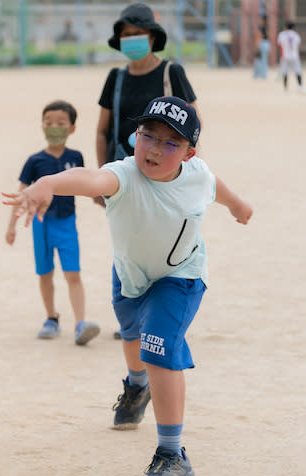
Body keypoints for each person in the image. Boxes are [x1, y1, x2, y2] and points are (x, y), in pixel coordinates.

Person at [3, 95, 253, 476]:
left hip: (180, 276)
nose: (154, 148)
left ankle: (173, 455)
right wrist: (49, 182)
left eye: (170, 143)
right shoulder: (123, 174)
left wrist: (238, 205)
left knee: (158, 346)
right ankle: (137, 387)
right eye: (147, 135)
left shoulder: (197, 174)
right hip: (130, 276)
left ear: (189, 153)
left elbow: (213, 185)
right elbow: (91, 179)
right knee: (133, 334)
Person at [96, 3, 200, 342]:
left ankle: (159, 315)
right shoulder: (116, 77)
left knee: (162, 241)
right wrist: (102, 177)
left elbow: (193, 125)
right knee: (129, 243)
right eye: (125, 35)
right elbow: (103, 130)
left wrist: (184, 175)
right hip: (125, 177)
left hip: (164, 178)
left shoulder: (172, 72)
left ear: (152, 36)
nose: (132, 40)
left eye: (137, 33)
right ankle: (134, 315)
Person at [5, 100, 101, 346]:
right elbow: (22, 193)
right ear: (42, 126)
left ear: (72, 128)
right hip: (40, 223)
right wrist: (11, 225)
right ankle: (51, 318)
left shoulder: (75, 156)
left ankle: (80, 324)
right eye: (49, 123)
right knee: (45, 272)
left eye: (61, 123)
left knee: (73, 273)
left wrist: (102, 199)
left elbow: (86, 183)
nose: (54, 127)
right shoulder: (35, 161)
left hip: (67, 223)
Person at [277, 21, 304, 92]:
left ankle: (285, 88)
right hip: (294, 56)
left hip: (285, 56)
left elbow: (280, 45)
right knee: (298, 71)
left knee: (285, 71)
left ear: (286, 27)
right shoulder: (296, 35)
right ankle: (300, 86)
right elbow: (298, 45)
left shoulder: (281, 34)